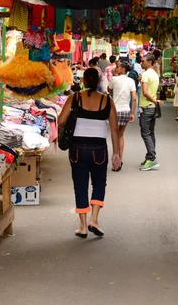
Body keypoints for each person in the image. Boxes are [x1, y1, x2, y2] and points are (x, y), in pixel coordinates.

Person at [58, 68, 121, 238]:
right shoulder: (107, 101)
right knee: (99, 183)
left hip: (77, 148)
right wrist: (117, 153)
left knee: (80, 184)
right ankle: (94, 219)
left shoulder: (74, 97)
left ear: (84, 81)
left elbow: (61, 121)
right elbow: (114, 129)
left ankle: (83, 226)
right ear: (99, 81)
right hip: (99, 148)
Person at [108, 61, 137, 171]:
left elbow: (108, 90)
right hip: (125, 111)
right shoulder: (131, 81)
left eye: (118, 67)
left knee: (114, 135)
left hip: (114, 111)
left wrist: (113, 75)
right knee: (120, 135)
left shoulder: (114, 79)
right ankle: (120, 158)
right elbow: (134, 98)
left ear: (123, 70)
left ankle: (115, 160)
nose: (116, 68)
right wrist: (132, 113)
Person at [139, 53, 161, 171]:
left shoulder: (146, 74)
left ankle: (151, 158)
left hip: (147, 107)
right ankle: (150, 157)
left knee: (145, 133)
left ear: (150, 62)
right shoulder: (154, 74)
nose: (141, 63)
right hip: (152, 108)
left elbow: (145, 92)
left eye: (143, 61)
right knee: (151, 133)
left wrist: (154, 100)